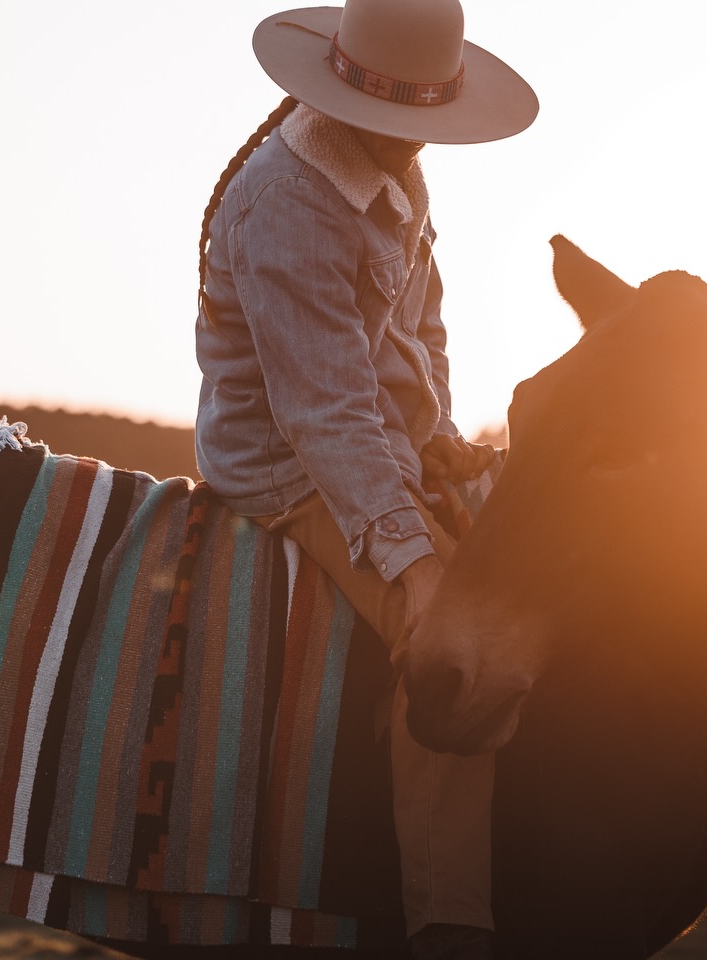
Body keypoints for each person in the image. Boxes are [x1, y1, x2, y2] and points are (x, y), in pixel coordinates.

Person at [192, 2, 537, 957]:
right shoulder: (285, 202)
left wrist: (435, 440)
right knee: (444, 645)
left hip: (376, 440)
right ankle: (448, 916)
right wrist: (415, 562)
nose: (415, 141)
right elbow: (324, 412)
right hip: (289, 468)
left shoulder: (396, 169)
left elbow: (419, 331)